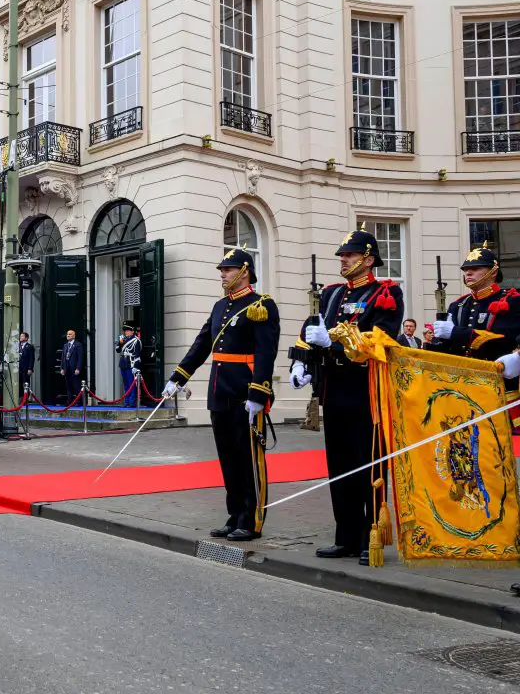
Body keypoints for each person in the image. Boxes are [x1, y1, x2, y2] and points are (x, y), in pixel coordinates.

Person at [289, 226, 404, 564]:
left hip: (366, 391)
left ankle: (371, 538)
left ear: (368, 259)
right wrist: (302, 362)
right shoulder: (332, 294)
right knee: (339, 466)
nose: (343, 259)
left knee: (368, 466)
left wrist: (335, 345)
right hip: (335, 390)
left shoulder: (385, 293)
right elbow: (312, 331)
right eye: (342, 255)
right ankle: (346, 537)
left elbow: (381, 341)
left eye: (350, 255)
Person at [163, 248, 280, 542]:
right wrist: (178, 377)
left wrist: (258, 391)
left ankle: (251, 519)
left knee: (248, 460)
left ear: (244, 271)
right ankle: (234, 515)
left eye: (227, 270)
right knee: (228, 459)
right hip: (219, 392)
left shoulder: (261, 305)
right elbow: (203, 344)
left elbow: (266, 353)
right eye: (222, 270)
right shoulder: (219, 307)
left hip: (245, 394)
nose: (223, 275)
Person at [431, 243, 520, 382]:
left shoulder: (512, 300)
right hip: (461, 381)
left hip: (499, 380)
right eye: (466, 269)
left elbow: (504, 340)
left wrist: (455, 333)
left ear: (493, 272)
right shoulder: (458, 305)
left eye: (475, 268)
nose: (468, 273)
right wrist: (436, 341)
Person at [116, 324, 142, 407]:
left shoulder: (136, 341)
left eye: (128, 331)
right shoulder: (123, 340)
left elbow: (137, 355)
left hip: (130, 363)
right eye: (125, 331)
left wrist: (136, 366)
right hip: (123, 363)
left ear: (132, 331)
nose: (126, 332)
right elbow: (117, 350)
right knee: (126, 384)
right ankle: (126, 402)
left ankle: (132, 402)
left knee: (131, 384)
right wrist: (120, 343)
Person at [60, 329, 85, 403]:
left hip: (74, 368)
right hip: (66, 368)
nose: (68, 335)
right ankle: (69, 400)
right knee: (68, 385)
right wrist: (62, 368)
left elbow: (80, 358)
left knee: (76, 385)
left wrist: (78, 368)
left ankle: (78, 401)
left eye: (70, 334)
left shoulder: (78, 345)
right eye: (67, 334)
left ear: (74, 336)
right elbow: (63, 357)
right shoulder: (65, 345)